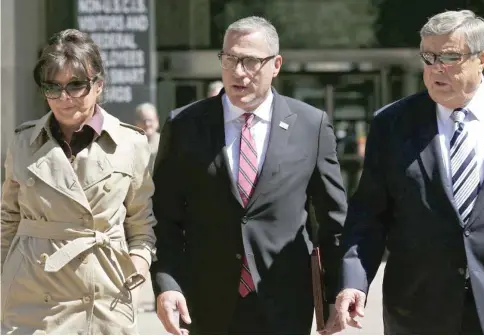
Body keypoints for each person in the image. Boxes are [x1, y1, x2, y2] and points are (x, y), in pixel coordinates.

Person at [328, 9, 484, 335]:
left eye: (449, 56)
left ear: (482, 58)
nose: (436, 69)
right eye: (429, 57)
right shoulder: (392, 124)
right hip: (418, 311)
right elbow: (369, 214)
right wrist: (353, 282)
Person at [151, 16, 347, 334]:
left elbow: (333, 220)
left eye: (250, 61)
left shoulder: (311, 125)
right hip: (206, 301)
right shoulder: (185, 125)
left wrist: (336, 292)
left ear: (276, 64)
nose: (238, 72)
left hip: (285, 301)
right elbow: (163, 217)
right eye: (230, 59)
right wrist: (167, 283)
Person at [0, 29, 157, 334]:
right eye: (53, 87)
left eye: (76, 85)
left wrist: (136, 269)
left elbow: (141, 223)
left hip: (105, 295)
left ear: (98, 85)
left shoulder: (131, 143)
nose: (64, 98)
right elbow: (7, 219)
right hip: (33, 295)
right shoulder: (22, 142)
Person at [135, 102, 160, 171]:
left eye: (150, 120)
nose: (147, 124)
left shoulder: (164, 142)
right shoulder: (132, 143)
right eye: (143, 120)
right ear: (137, 122)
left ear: (157, 120)